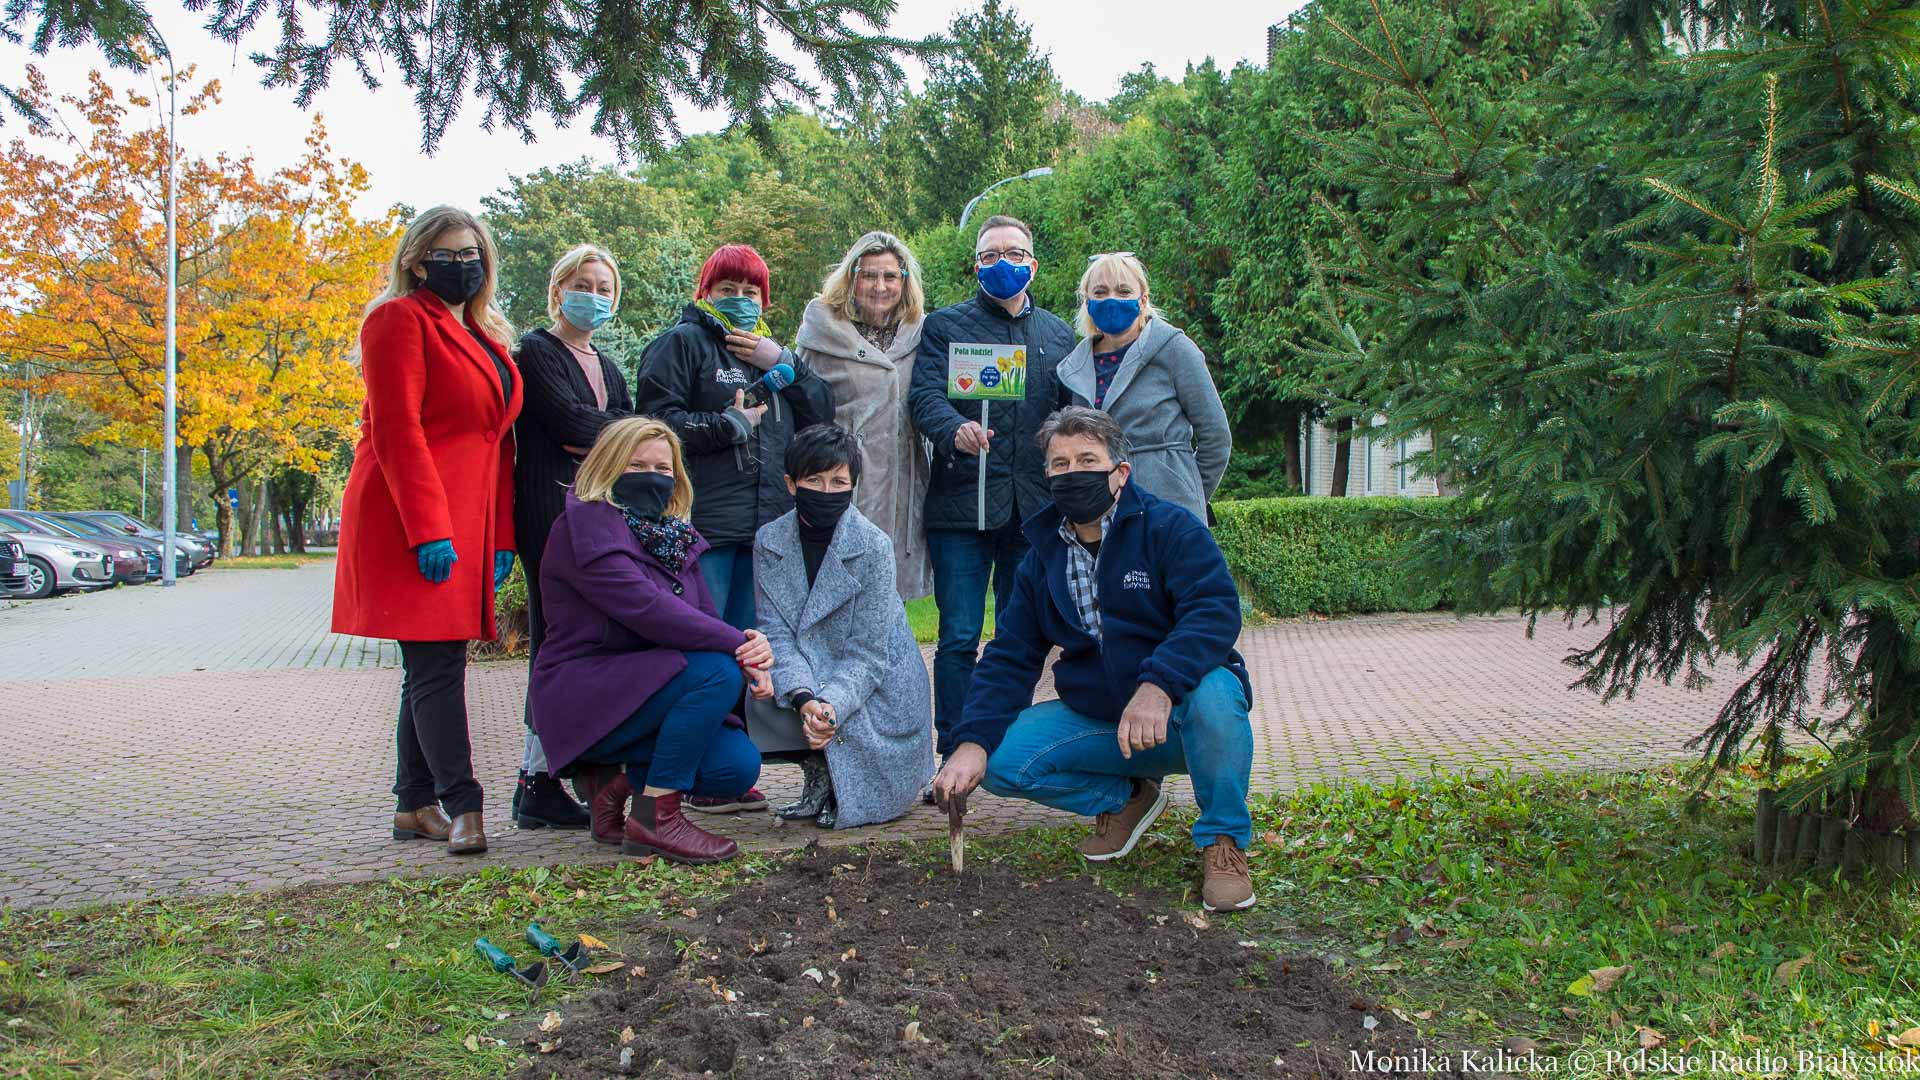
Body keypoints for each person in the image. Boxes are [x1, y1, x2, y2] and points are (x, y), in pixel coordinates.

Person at [929, 407, 1258, 913]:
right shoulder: (1043, 555)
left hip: (1178, 714)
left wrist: (1159, 685)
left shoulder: (1170, 528)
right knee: (999, 760)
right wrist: (969, 741)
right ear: (1047, 477)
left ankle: (1223, 842)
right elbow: (1011, 656)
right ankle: (1128, 799)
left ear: (1120, 472)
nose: (1073, 473)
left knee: (1217, 693)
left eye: (1087, 460)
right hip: (1105, 721)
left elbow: (1214, 611)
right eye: (1059, 465)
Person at [332, 205, 523, 856]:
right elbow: (397, 430)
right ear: (416, 262)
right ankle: (463, 804)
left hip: (469, 519)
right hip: (409, 517)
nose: (463, 265)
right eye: (448, 255)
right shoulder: (397, 320)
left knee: (430, 665)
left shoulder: (482, 334)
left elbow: (497, 443)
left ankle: (413, 805)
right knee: (437, 662)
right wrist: (427, 530)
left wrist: (500, 539)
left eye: (472, 254)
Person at [528, 417, 776, 864]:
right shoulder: (585, 528)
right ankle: (658, 819)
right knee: (717, 672)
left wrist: (748, 650)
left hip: (653, 687)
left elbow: (701, 618)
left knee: (735, 766)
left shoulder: (674, 537)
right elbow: (651, 610)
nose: (653, 477)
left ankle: (615, 785)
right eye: (637, 465)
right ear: (608, 465)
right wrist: (740, 644)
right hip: (587, 693)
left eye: (663, 469)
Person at [908, 214, 1073, 763]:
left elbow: (1072, 415)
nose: (1003, 263)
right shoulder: (944, 326)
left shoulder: (1057, 335)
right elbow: (924, 397)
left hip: (1033, 511)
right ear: (976, 265)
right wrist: (953, 429)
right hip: (962, 505)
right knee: (958, 636)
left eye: (1014, 254)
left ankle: (1001, 747)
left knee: (1016, 636)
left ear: (1033, 264)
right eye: (990, 255)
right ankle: (954, 747)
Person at [633, 244, 835, 631]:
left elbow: (821, 414)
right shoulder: (682, 343)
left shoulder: (770, 354)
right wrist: (727, 426)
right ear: (706, 292)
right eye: (728, 289)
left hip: (767, 528)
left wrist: (787, 363)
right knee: (702, 636)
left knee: (751, 644)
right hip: (704, 527)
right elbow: (654, 425)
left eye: (750, 291)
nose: (740, 299)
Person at [507, 243, 635, 831]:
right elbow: (569, 423)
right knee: (553, 643)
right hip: (549, 520)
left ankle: (569, 771)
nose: (594, 296)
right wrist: (613, 435)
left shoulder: (607, 366)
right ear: (558, 290)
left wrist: (602, 436)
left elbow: (626, 433)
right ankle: (536, 779)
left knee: (586, 643)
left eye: (605, 288)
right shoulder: (536, 351)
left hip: (596, 518)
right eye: (583, 285)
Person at [752, 424, 934, 829]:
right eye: (814, 480)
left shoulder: (873, 546)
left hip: (877, 683)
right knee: (753, 686)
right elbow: (775, 633)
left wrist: (829, 704)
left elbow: (868, 654)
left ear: (853, 485)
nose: (827, 491)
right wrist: (803, 698)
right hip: (808, 673)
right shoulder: (768, 541)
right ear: (791, 484)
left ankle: (844, 780)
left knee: (868, 785)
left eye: (839, 482)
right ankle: (818, 770)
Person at [793, 231, 933, 600]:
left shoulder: (921, 334)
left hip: (902, 484)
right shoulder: (823, 334)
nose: (879, 286)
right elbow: (801, 407)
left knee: (888, 602)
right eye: (869, 275)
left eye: (890, 276)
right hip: (839, 480)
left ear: (904, 281)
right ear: (851, 278)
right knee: (833, 596)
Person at [1056, 253, 1231, 522]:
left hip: (1169, 506)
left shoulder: (1175, 349)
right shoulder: (1075, 366)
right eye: (1100, 292)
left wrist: (1188, 492)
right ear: (1087, 302)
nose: (1111, 299)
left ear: (1143, 299)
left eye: (1123, 291)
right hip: (1100, 511)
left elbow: (1216, 436)